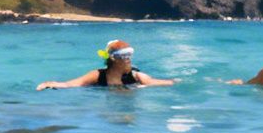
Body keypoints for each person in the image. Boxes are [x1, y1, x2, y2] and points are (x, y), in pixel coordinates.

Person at [36, 40, 175, 89]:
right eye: (123, 56)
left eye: (130, 55)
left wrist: (177, 82)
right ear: (113, 59)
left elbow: (156, 82)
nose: (128, 59)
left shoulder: (137, 76)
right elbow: (71, 84)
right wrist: (49, 83)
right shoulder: (98, 75)